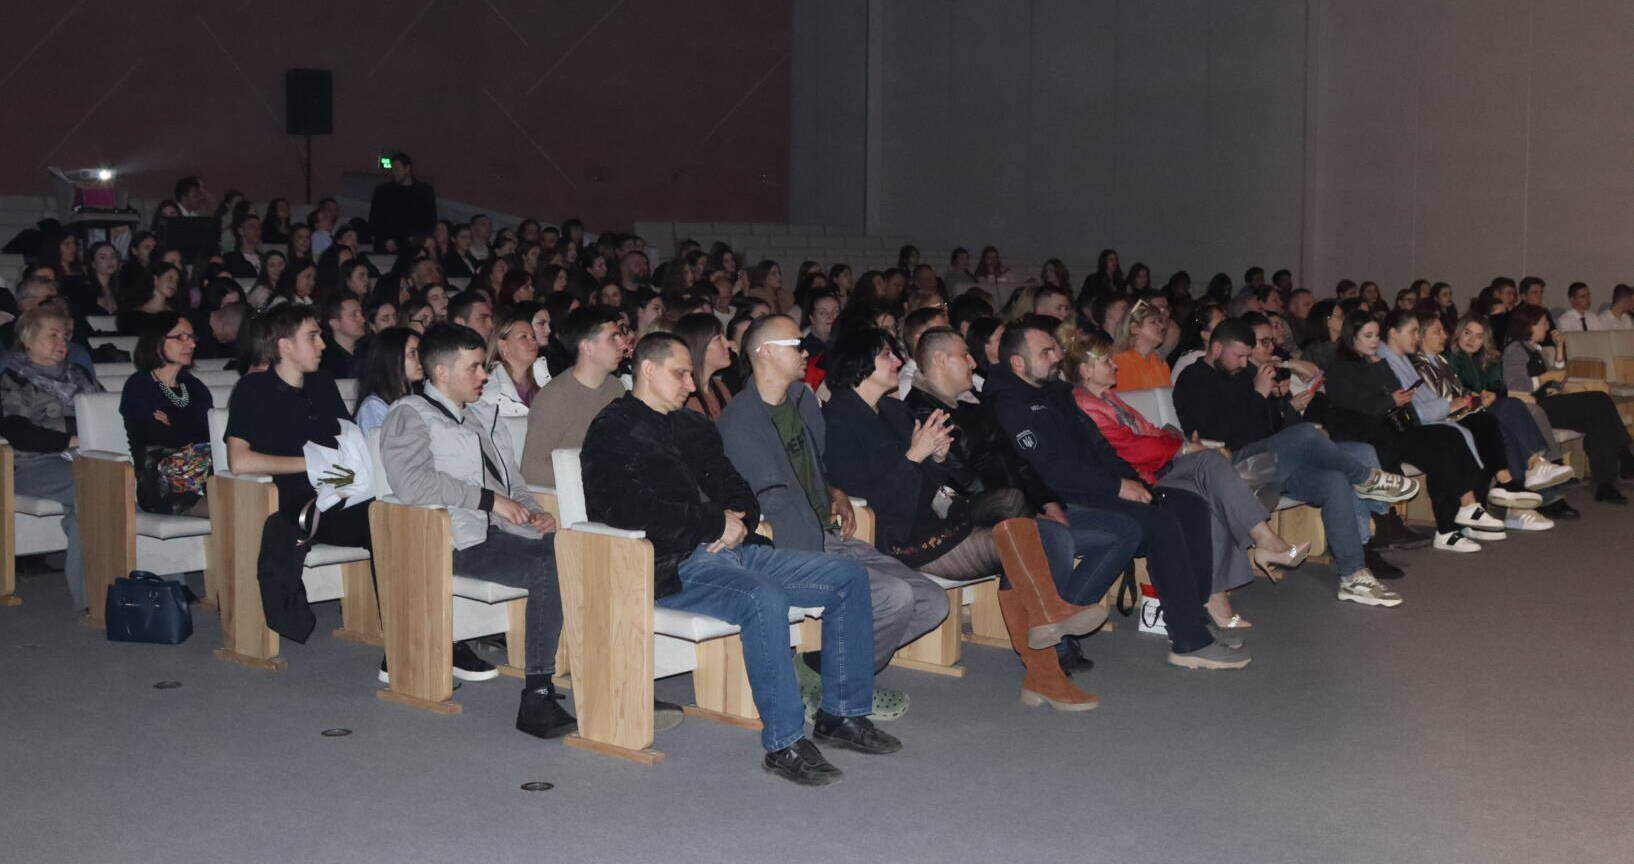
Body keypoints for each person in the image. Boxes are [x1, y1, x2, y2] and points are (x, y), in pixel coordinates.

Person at [583, 332, 895, 786]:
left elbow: (739, 490)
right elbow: (625, 510)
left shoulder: (693, 426)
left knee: (846, 576)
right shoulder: (613, 430)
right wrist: (712, 524)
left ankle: (840, 714)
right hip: (670, 563)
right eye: (680, 373)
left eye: (691, 374)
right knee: (762, 597)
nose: (691, 384)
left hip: (736, 550)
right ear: (647, 370)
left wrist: (736, 521)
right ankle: (784, 743)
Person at [716, 315, 947, 719]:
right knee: (894, 596)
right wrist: (820, 555)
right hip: (788, 546)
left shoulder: (802, 400)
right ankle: (844, 690)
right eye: (795, 344)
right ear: (765, 353)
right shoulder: (740, 422)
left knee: (932, 601)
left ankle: (822, 672)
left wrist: (834, 492)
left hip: (827, 533)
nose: (806, 351)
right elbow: (771, 504)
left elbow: (817, 467)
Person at [985, 319, 1249, 668]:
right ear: (1018, 363)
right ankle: (1189, 640)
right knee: (1160, 524)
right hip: (1058, 499)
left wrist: (1135, 482)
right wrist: (1118, 487)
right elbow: (1052, 470)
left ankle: (1194, 617)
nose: (1056, 356)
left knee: (1189, 506)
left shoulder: (1056, 393)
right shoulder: (1008, 403)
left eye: (1053, 349)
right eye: (1045, 352)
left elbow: (1099, 448)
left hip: (1092, 486)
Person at [906, 326, 1140, 676]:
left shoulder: (975, 402)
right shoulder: (921, 411)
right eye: (964, 355)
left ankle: (1059, 620)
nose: (973, 362)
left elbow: (1018, 460)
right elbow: (960, 481)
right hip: (980, 517)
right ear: (939, 360)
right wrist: (1024, 511)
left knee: (1123, 531)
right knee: (1057, 539)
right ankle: (1055, 644)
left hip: (1025, 504)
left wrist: (1047, 502)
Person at [379, 324, 575, 740]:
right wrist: (488, 500)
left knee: (578, 551)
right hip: (453, 541)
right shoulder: (408, 415)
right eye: (472, 367)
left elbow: (512, 482)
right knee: (549, 568)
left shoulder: (478, 417)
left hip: (497, 534)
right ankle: (537, 694)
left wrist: (535, 512)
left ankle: (591, 671)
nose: (483, 375)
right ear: (441, 372)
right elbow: (412, 484)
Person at [1065, 330, 1310, 630]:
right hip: (1137, 479)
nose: (1115, 365)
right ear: (1086, 370)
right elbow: (1126, 448)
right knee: (1211, 463)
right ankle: (1265, 542)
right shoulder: (1083, 403)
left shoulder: (1107, 398)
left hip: (1157, 466)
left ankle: (1216, 593)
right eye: (1106, 361)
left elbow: (1150, 430)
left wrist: (1179, 443)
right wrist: (1182, 448)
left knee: (1211, 490)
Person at [1174, 320, 1421, 600]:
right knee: (1305, 435)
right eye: (1238, 355)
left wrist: (1275, 400)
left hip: (1270, 461)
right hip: (1230, 467)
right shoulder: (1193, 378)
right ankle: (1366, 478)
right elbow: (1217, 433)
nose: (1243, 363)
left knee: (1334, 480)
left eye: (1246, 356)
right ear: (1217, 347)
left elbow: (1270, 426)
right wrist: (1259, 395)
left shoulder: (1241, 375)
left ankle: (1353, 575)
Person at [1324, 311, 1502, 551]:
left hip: (1395, 429)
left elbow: (1395, 396)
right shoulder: (1340, 368)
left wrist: (1387, 383)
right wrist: (1391, 400)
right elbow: (1351, 409)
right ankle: (1458, 518)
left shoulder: (1376, 362)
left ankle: (1457, 520)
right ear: (1352, 337)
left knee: (1449, 437)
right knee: (1443, 442)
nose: (1375, 341)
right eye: (1368, 336)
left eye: (1376, 335)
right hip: (1376, 436)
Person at [1411, 310, 1573, 511]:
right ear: (1459, 333)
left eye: (1479, 336)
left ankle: (1529, 487)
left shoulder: (1484, 358)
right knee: (1511, 410)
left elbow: (1497, 387)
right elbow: (1454, 396)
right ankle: (1534, 472)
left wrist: (1489, 395)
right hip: (1464, 414)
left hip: (1480, 409)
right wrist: (1480, 398)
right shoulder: (1449, 357)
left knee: (1509, 416)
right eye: (1467, 333)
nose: (1472, 340)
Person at [0, 304, 100, 607]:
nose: (62, 342)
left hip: (84, 458)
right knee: (97, 488)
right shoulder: (14, 379)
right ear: (28, 338)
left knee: (94, 500)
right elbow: (17, 430)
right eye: (52, 335)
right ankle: (94, 594)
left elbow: (105, 410)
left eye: (65, 336)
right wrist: (69, 440)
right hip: (33, 464)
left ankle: (103, 592)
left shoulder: (79, 375)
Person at [1502, 304, 1634, 503]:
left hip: (1550, 401)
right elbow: (1517, 387)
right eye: (1543, 323)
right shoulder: (1515, 349)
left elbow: (1557, 381)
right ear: (1529, 325)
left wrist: (1559, 349)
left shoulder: (1535, 349)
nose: (1547, 327)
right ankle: (1623, 455)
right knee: (1599, 401)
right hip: (1535, 407)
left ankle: (1606, 483)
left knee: (1598, 420)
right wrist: (1547, 376)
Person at [520, 306, 626, 487]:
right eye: (613, 338)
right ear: (587, 347)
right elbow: (531, 469)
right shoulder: (555, 398)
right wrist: (594, 476)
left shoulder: (615, 387)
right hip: (577, 495)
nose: (623, 344)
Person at [121, 313, 213, 517]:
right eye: (181, 337)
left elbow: (210, 435)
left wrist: (174, 420)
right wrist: (186, 427)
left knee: (248, 499)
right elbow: (157, 437)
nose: (191, 344)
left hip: (205, 475)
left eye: (192, 337)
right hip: (162, 484)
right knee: (232, 507)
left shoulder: (195, 387)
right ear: (157, 341)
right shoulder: (139, 386)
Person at [353, 327, 422, 432]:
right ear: (392, 357)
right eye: (412, 353)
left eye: (421, 353)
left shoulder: (418, 397)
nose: (420, 360)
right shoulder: (373, 407)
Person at [368, 153, 438, 253]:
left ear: (407, 168)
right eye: (393, 170)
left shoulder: (424, 192)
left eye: (397, 169)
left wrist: (417, 240)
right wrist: (385, 239)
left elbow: (430, 221)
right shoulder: (383, 191)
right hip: (388, 245)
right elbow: (375, 220)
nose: (394, 173)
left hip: (414, 246)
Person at [673, 313, 734, 420]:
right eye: (718, 339)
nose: (727, 344)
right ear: (699, 346)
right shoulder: (682, 397)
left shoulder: (720, 387)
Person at [479, 312, 542, 416]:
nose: (533, 341)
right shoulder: (491, 390)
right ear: (504, 346)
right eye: (524, 337)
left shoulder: (542, 378)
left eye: (533, 337)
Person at [1110, 298, 1171, 391]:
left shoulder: (1160, 363)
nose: (1162, 326)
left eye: (1160, 321)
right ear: (1134, 328)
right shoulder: (1121, 363)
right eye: (1153, 322)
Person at [319, 295, 366, 379]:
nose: (362, 319)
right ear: (335, 323)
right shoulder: (323, 360)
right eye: (354, 315)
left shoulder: (371, 351)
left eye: (361, 314)